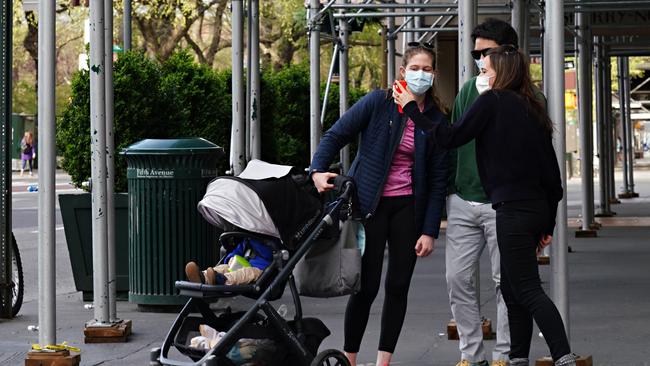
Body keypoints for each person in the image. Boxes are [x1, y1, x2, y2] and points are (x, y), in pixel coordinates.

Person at [392, 45, 578, 366]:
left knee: (528, 289)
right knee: (510, 286)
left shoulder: (491, 102)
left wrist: (411, 109)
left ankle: (563, 356)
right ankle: (517, 357)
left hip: (511, 209)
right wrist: (546, 224)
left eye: (486, 71)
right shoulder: (532, 107)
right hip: (535, 210)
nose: (482, 76)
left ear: (501, 74)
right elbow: (553, 178)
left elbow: (450, 137)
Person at [310, 42, 448, 366]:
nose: (421, 74)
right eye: (415, 68)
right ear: (402, 71)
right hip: (369, 205)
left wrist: (430, 230)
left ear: (435, 74)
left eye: (427, 69)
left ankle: (383, 362)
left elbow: (439, 179)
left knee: (398, 285)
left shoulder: (436, 120)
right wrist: (317, 170)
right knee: (366, 287)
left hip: (408, 209)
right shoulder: (379, 102)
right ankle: (349, 358)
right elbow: (335, 134)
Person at [445, 18, 526, 366]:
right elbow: (452, 139)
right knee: (457, 279)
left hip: (504, 203)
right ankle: (471, 354)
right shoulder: (467, 90)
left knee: (504, 281)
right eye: (475, 53)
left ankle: (503, 355)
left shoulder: (526, 96)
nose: (479, 60)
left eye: (485, 52)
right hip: (464, 199)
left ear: (508, 53)